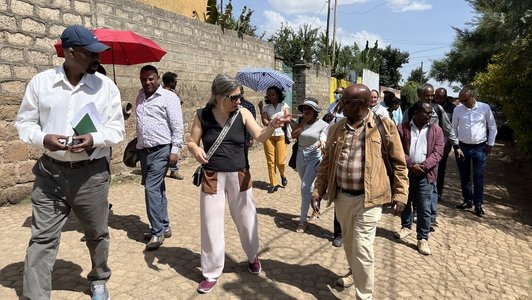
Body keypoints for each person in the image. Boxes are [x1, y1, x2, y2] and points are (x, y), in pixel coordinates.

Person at [14, 24, 124, 300]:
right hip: (50, 174)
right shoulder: (41, 84)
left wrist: (94, 138)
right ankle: (36, 296)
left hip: (92, 175)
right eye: (91, 53)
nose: (96, 58)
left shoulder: (105, 87)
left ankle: (99, 278)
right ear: (70, 52)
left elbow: (117, 130)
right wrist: (43, 138)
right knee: (42, 238)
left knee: (97, 233)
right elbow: (24, 123)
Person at [187, 74, 290, 294]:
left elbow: (260, 136)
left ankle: (252, 255)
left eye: (240, 96)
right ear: (219, 97)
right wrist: (196, 150)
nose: (239, 101)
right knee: (210, 223)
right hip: (212, 175)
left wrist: (272, 125)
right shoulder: (202, 115)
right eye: (234, 97)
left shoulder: (242, 113)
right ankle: (211, 272)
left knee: (246, 218)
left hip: (240, 174)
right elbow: (191, 141)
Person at [311, 84, 409, 299]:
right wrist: (317, 191)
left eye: (345, 101)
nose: (340, 105)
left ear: (362, 104)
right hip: (342, 197)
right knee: (349, 244)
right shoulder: (337, 128)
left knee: (363, 248)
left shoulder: (384, 126)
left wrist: (401, 194)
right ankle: (353, 272)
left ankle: (364, 295)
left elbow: (399, 163)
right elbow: (326, 164)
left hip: (370, 199)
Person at [136, 65, 184, 251]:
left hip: (162, 150)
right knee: (158, 188)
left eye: (151, 79)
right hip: (144, 150)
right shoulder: (140, 96)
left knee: (151, 189)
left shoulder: (169, 97)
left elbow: (178, 126)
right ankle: (164, 225)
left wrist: (175, 151)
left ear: (157, 78)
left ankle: (157, 232)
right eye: (144, 79)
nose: (147, 82)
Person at [402, 83, 462, 227]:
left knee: (432, 186)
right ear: (419, 96)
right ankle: (411, 217)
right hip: (413, 157)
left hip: (432, 156)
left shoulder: (437, 109)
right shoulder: (411, 110)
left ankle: (431, 217)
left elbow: (448, 128)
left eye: (431, 95)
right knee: (411, 188)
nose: (430, 98)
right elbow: (403, 132)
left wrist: (456, 145)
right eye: (426, 95)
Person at [395, 100, 444, 255]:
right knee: (405, 201)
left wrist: (423, 166)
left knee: (424, 207)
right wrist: (410, 164)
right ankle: (406, 226)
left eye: (431, 112)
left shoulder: (436, 130)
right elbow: (396, 149)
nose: (431, 115)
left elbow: (438, 152)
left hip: (425, 173)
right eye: (427, 112)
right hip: (406, 172)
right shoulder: (402, 129)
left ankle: (423, 238)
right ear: (416, 113)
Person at [453, 86, 497, 216]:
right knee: (464, 176)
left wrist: (490, 143)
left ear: (472, 97)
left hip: (480, 147)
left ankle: (478, 204)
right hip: (463, 147)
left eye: (465, 100)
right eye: (461, 100)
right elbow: (454, 128)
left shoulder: (485, 108)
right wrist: (456, 146)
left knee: (478, 177)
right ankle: (467, 201)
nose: (462, 103)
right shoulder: (458, 110)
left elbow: (492, 126)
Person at [290, 97, 328, 233]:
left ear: (315, 111)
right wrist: (302, 123)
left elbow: (325, 138)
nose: (305, 111)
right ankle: (315, 207)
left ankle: (302, 221)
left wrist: (322, 143)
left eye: (308, 109)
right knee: (308, 187)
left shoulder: (322, 124)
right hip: (300, 155)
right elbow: (293, 135)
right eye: (304, 109)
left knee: (305, 187)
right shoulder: (300, 122)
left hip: (315, 157)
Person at [258, 86, 291, 193]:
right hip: (269, 135)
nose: (271, 97)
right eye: (269, 95)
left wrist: (279, 120)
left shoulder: (283, 105)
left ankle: (282, 174)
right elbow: (264, 122)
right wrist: (261, 109)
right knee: (271, 161)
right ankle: (273, 183)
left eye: (273, 94)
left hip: (281, 135)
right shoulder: (266, 108)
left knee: (280, 161)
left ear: (277, 94)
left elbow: (288, 118)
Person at [433, 88, 456, 201]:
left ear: (445, 96)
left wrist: (450, 144)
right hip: (431, 142)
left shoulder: (452, 108)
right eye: (436, 97)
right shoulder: (431, 105)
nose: (438, 99)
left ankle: (438, 192)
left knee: (441, 169)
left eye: (441, 98)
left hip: (445, 143)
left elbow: (452, 128)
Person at [162, 71, 184, 180]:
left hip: (172, 124)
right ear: (170, 82)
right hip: (167, 126)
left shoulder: (172, 93)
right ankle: (172, 169)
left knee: (174, 147)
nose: (176, 83)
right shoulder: (162, 93)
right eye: (175, 81)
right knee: (171, 148)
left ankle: (173, 169)